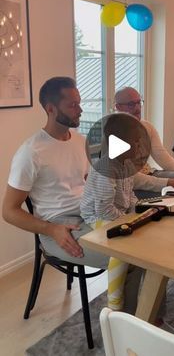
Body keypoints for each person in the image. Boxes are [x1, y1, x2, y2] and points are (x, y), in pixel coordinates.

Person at [2, 76, 142, 314]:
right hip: (58, 229)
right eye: (73, 105)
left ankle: (143, 321)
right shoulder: (30, 152)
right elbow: (8, 211)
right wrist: (51, 230)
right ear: (50, 109)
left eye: (79, 103)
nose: (81, 109)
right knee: (134, 255)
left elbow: (94, 183)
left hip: (89, 215)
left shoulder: (80, 142)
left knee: (146, 245)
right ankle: (125, 326)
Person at [80, 113, 141, 311]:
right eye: (135, 139)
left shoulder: (127, 164)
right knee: (122, 246)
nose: (139, 143)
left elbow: (130, 194)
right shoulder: (106, 167)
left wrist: (137, 210)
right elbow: (104, 209)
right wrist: (127, 220)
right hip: (97, 217)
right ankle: (114, 303)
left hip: (116, 212)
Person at [114, 87, 174, 194]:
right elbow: (130, 177)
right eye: (131, 104)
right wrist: (169, 183)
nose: (137, 108)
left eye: (139, 102)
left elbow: (162, 157)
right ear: (118, 107)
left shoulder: (147, 127)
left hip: (151, 174)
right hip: (129, 187)